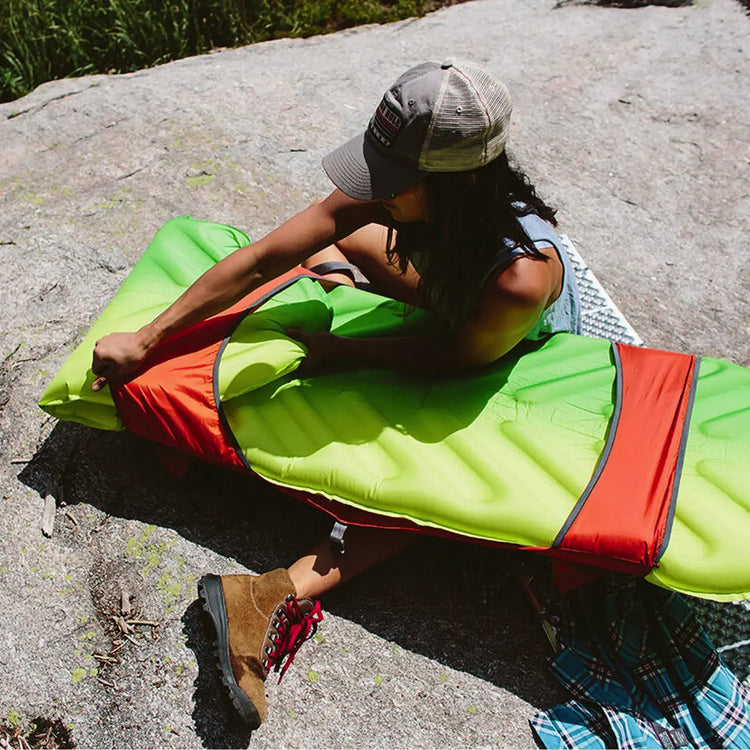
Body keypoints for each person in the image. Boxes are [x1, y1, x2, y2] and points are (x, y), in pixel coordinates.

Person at [91, 59, 581, 729]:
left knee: (434, 474)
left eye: (392, 181)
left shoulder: (519, 278)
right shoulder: (411, 199)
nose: (375, 190)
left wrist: (341, 348)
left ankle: (270, 595)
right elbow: (266, 256)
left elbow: (451, 357)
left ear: (458, 180)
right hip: (446, 297)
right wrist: (147, 341)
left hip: (496, 346)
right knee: (327, 239)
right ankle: (337, 280)